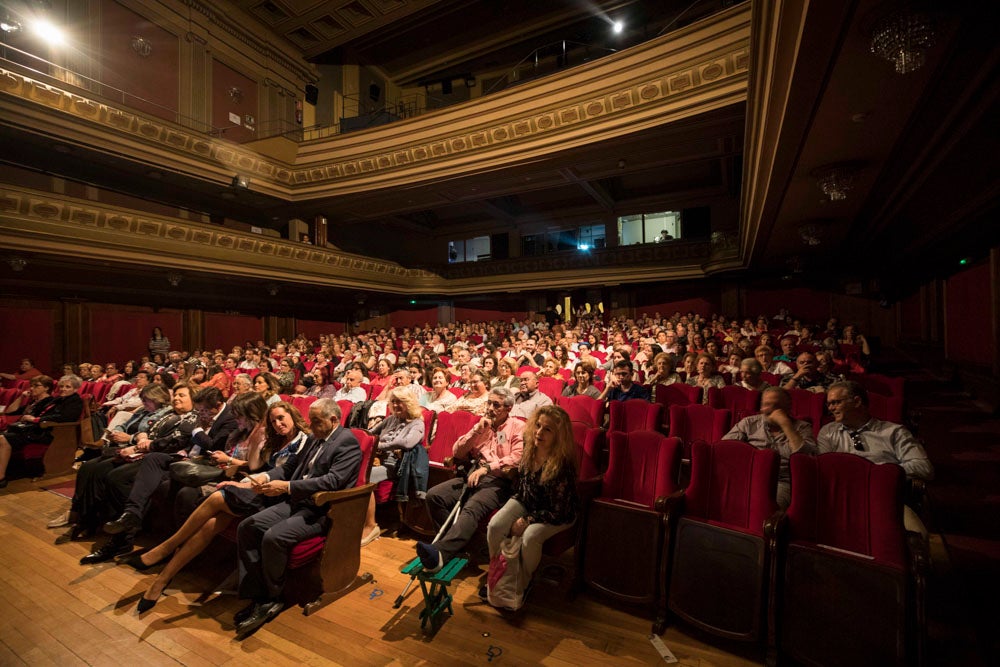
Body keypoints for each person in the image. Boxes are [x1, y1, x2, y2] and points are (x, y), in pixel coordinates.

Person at [125, 401, 310, 612]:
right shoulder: (277, 440)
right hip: (258, 489)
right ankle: (161, 580)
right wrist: (255, 450)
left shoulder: (304, 442)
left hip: (273, 497)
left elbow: (283, 474)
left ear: (293, 416)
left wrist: (244, 483)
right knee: (211, 523)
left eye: (281, 418)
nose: (278, 424)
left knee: (217, 497)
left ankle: (166, 548)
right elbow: (258, 466)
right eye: (273, 420)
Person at [233, 399, 361, 636]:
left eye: (316, 421)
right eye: (310, 419)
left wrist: (289, 487)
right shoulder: (313, 438)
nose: (310, 425)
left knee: (274, 537)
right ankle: (257, 593)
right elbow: (288, 468)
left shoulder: (347, 442)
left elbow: (333, 481)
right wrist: (266, 477)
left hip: (322, 509)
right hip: (297, 502)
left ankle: (273, 597)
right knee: (248, 527)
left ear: (334, 420)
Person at [78, 384, 199, 564]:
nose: (176, 398)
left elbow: (175, 442)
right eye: (175, 395)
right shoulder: (170, 415)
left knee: (117, 478)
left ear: (193, 399)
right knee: (94, 467)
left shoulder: (192, 418)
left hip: (164, 459)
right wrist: (141, 437)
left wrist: (138, 444)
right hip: (147, 454)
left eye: (182, 395)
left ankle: (122, 538)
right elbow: (149, 431)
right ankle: (97, 523)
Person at [416, 387, 524, 572]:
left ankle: (440, 553)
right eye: (488, 403)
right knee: (434, 496)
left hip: (499, 482)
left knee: (471, 508)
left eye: (495, 404)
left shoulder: (517, 427)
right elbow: (457, 452)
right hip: (472, 474)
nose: (489, 408)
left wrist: (488, 468)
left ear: (508, 408)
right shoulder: (482, 425)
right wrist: (476, 431)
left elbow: (518, 457)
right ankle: (459, 548)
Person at [484, 404, 578, 605]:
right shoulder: (529, 449)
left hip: (558, 514)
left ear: (558, 436)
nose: (539, 432)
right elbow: (524, 489)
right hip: (528, 501)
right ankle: (499, 572)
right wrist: (517, 510)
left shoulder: (562, 465)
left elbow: (559, 511)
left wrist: (527, 520)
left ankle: (522, 582)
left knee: (530, 536)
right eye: (538, 426)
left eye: (547, 429)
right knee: (495, 525)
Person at [818, 381, 933, 535]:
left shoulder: (894, 432)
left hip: (884, 498)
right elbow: (825, 468)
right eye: (829, 404)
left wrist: (880, 472)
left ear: (857, 401)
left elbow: (924, 468)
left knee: (918, 537)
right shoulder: (828, 432)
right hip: (843, 498)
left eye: (836, 402)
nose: (831, 408)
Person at [721, 387, 817, 508]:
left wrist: (786, 425)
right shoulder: (748, 423)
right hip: (749, 477)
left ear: (788, 408)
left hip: (781, 482)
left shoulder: (802, 428)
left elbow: (808, 459)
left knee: (765, 505)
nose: (769, 409)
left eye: (776, 405)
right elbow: (724, 448)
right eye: (766, 404)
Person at [363, 388, 427, 546]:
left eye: (400, 402)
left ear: (409, 403)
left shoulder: (417, 423)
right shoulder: (390, 419)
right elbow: (370, 434)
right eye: (393, 402)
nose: (396, 405)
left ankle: (370, 525)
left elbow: (407, 443)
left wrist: (381, 445)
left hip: (397, 465)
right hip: (377, 460)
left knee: (365, 478)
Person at [0, 374, 83, 487]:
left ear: (75, 388)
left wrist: (36, 419)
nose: (63, 389)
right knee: (4, 436)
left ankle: (1, 478)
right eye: (62, 386)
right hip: (39, 429)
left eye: (68, 387)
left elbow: (65, 417)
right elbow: (42, 411)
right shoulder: (59, 399)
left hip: (50, 433)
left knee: (4, 439)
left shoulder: (75, 401)